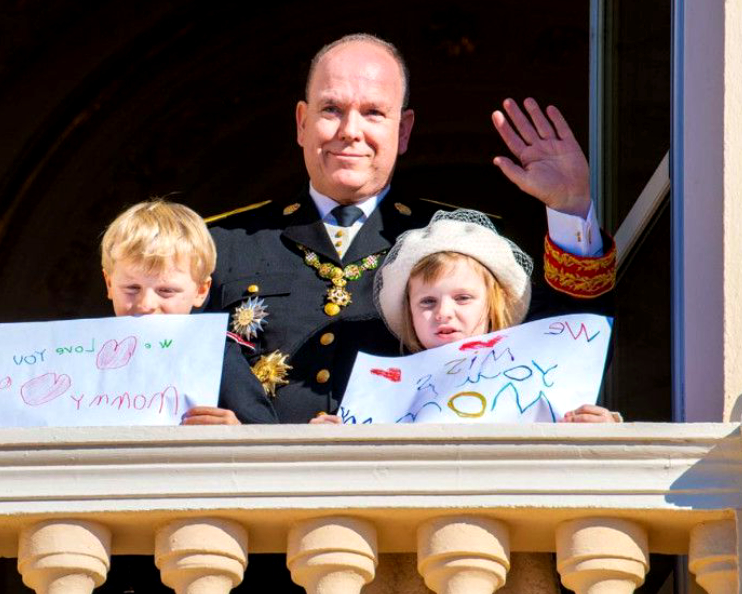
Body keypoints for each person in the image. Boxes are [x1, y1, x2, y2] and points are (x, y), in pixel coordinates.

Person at [206, 33, 616, 424]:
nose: (350, 130)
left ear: (402, 130)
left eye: (373, 113)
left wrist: (570, 209)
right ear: (302, 122)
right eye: (331, 109)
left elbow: (565, 348)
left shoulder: (466, 241)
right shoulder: (219, 245)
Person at [374, 208, 617, 423]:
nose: (443, 313)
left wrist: (601, 430)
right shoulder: (382, 392)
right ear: (409, 313)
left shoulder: (539, 374)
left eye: (463, 298)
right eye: (428, 302)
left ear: (493, 305)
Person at [100, 199, 278, 425]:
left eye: (166, 291)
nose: (146, 304)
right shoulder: (81, 352)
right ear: (109, 284)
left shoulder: (216, 353)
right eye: (132, 288)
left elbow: (266, 435)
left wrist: (237, 430)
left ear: (201, 291)